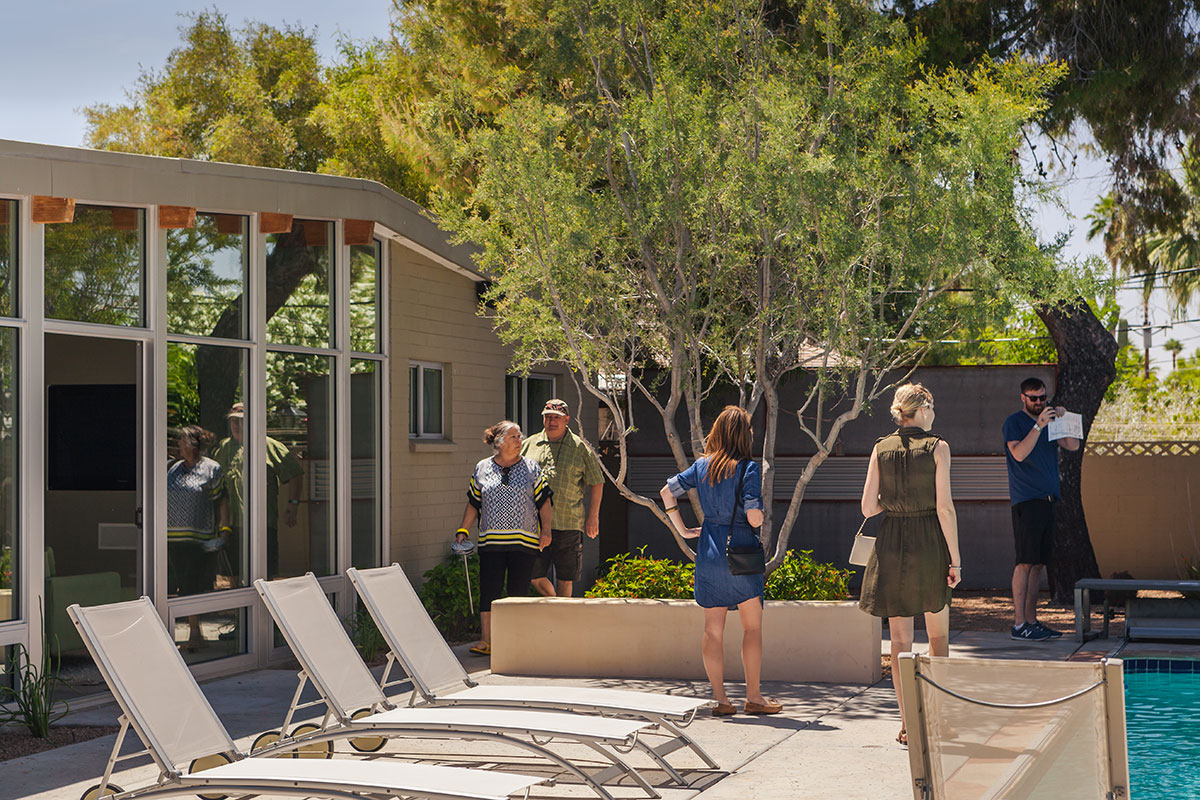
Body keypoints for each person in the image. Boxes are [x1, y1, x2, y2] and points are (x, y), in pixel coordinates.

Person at [659, 405, 781, 717]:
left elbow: (666, 492)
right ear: (743, 435)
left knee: (712, 630)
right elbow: (754, 519)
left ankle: (721, 700)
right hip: (741, 553)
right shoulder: (748, 469)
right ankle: (753, 697)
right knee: (752, 629)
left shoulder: (701, 468)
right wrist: (758, 515)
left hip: (709, 551)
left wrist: (683, 529)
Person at [859, 383, 961, 746]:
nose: (933, 413)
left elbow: (868, 508)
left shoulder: (880, 448)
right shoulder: (939, 447)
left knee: (900, 641)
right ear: (921, 410)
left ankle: (907, 723)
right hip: (930, 543)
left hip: (892, 544)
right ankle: (935, 717)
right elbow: (945, 508)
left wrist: (896, 502)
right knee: (938, 637)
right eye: (930, 407)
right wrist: (956, 560)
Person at [456, 420, 553, 656]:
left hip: (524, 541)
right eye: (514, 437)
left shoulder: (531, 468)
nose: (519, 441)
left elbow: (544, 502)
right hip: (491, 542)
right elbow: (473, 503)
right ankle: (486, 640)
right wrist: (463, 530)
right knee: (489, 590)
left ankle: (515, 641)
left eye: (519, 437)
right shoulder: (482, 468)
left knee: (518, 590)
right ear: (499, 442)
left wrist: (547, 530)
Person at [1003, 377, 1080, 641]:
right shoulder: (1015, 422)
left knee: (1037, 565)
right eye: (1033, 398)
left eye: (1043, 398)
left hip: (1048, 500)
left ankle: (1032, 621)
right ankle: (1018, 623)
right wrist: (1038, 425)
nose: (1039, 403)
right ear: (1022, 398)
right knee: (1024, 563)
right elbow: (1019, 454)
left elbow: (1072, 445)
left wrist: (1064, 418)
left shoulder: (1050, 421)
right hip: (1027, 501)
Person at [210, 402, 304, 579]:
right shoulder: (224, 447)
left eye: (242, 421)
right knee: (233, 575)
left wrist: (293, 505)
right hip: (232, 524)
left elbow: (295, 474)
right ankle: (239, 607)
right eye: (234, 422)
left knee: (263, 575)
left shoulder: (268, 445)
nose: (237, 426)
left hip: (262, 523)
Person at [521, 399, 604, 598]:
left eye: (556, 418)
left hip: (568, 521)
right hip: (534, 523)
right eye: (548, 417)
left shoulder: (580, 447)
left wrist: (593, 516)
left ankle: (562, 616)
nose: (552, 421)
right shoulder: (528, 445)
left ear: (566, 419)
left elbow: (597, 481)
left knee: (565, 576)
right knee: (533, 574)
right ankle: (556, 603)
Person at [167, 425, 230, 648]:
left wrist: (225, 529)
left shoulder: (211, 469)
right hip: (171, 537)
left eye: (182, 441)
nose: (178, 445)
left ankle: (195, 633)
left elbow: (222, 500)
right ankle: (188, 633)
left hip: (198, 537)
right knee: (177, 584)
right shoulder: (172, 468)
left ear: (193, 444)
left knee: (191, 584)